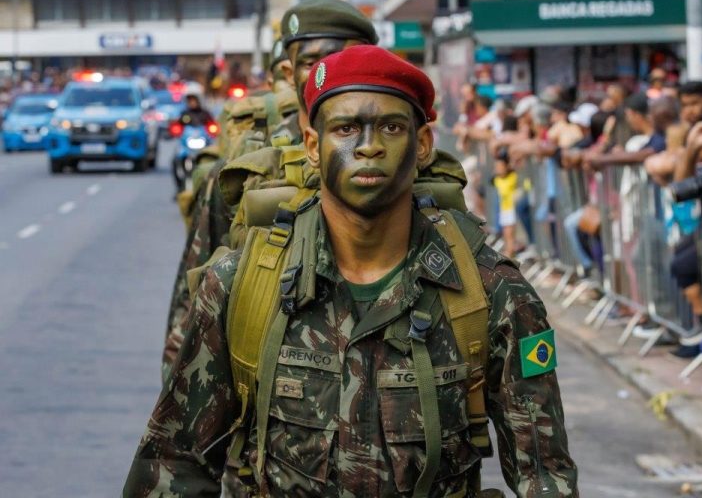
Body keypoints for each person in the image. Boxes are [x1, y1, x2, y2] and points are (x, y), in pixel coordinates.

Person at [124, 45, 578, 498]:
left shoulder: (491, 293)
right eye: (345, 128)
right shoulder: (242, 286)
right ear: (312, 146)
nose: (368, 145)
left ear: (422, 145)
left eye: (391, 127)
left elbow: (545, 476)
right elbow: (173, 468)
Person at [162, 0, 378, 377]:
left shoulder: (397, 161)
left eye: (341, 59)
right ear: (288, 71)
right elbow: (193, 298)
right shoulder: (245, 172)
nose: (327, 74)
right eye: (311, 63)